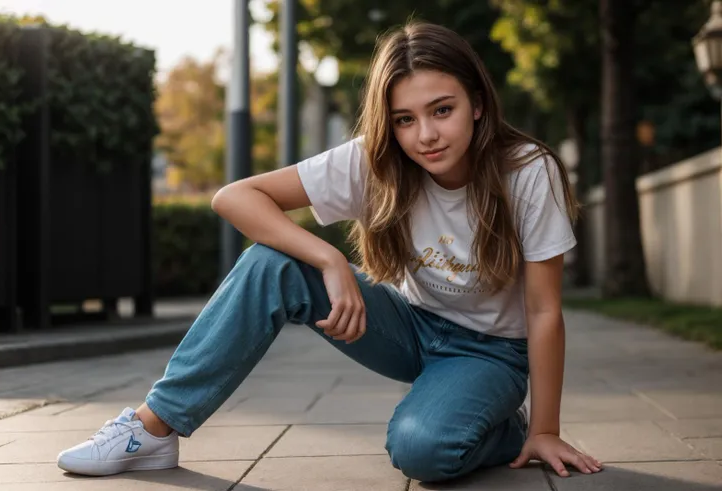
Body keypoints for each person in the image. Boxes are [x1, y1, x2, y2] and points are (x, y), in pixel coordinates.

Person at [56, 21, 603, 483]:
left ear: (478, 103)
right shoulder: (376, 161)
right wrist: (329, 259)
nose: (425, 135)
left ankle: (501, 423)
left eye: (442, 110)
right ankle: (153, 428)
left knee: (422, 453)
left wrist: (544, 430)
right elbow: (235, 197)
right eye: (404, 119)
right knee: (271, 263)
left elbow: (543, 310)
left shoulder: (528, 171)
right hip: (409, 325)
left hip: (490, 353)